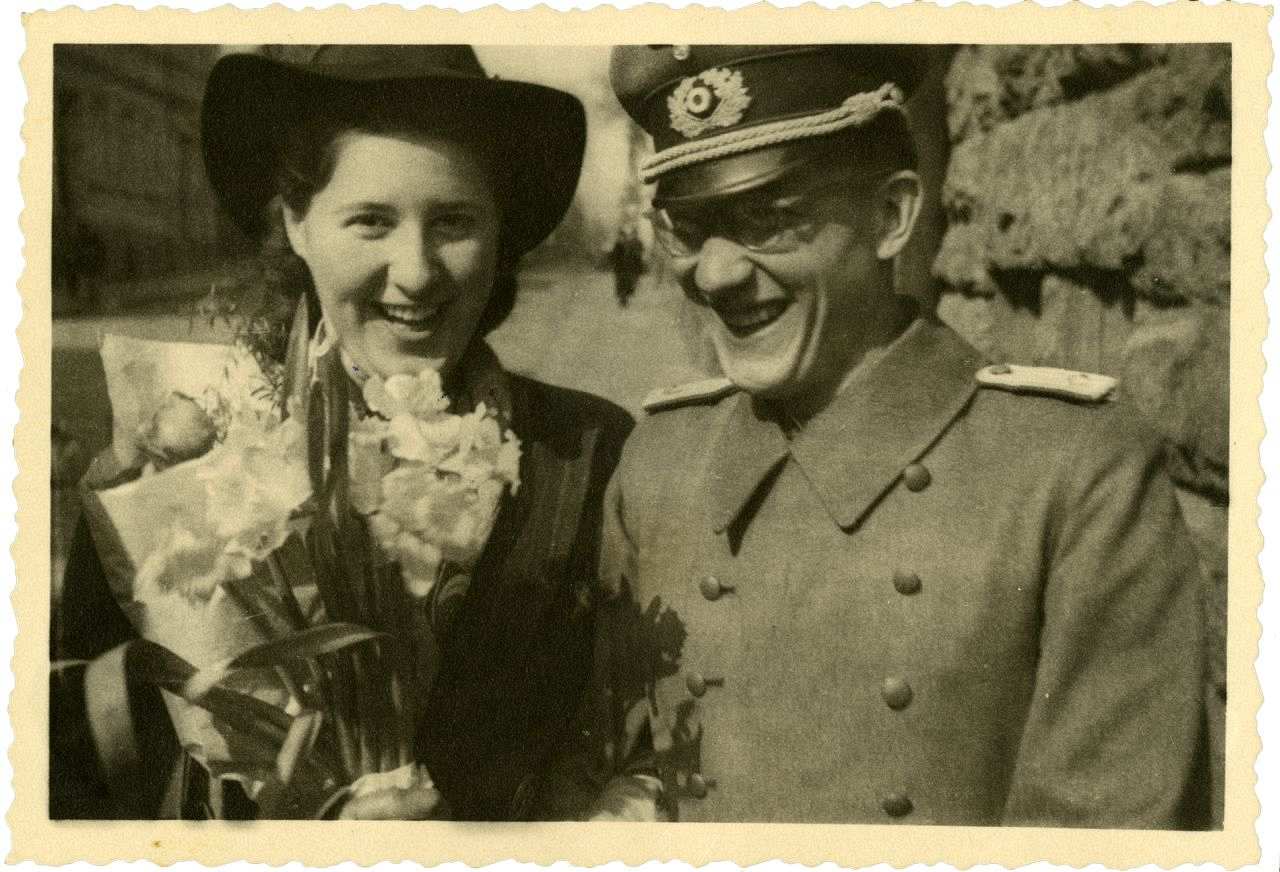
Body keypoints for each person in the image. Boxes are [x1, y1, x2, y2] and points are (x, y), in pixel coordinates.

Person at [555, 44, 1210, 827]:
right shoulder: (660, 461)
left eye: (767, 217)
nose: (717, 274)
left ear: (891, 217)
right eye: (691, 230)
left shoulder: (1071, 470)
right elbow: (612, 757)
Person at [50, 44, 632, 821]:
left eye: (454, 221)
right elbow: (83, 775)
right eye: (371, 222)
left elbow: (632, 741)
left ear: (500, 236)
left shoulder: (588, 452)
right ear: (296, 225)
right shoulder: (172, 467)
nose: (416, 271)